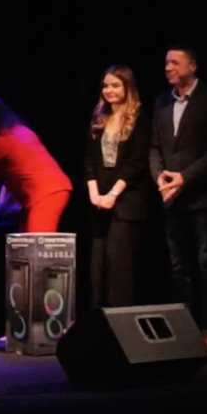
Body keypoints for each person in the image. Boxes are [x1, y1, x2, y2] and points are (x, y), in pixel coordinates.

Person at [149, 46, 207, 349]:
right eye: (166, 62)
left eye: (174, 62)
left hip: (203, 198)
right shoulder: (161, 101)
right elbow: (154, 147)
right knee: (178, 267)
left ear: (192, 66)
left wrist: (184, 178)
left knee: (206, 263)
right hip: (171, 197)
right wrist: (160, 178)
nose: (168, 67)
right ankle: (184, 327)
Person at [84, 66, 152, 309]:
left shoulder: (138, 117)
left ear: (127, 87)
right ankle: (98, 319)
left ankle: (119, 323)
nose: (109, 90)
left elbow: (137, 162)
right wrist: (94, 193)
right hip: (100, 201)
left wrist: (113, 194)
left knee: (118, 266)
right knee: (97, 266)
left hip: (126, 201)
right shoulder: (99, 117)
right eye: (105, 85)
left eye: (115, 85)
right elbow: (89, 159)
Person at [0, 95, 72, 233]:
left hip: (46, 194)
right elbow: (21, 175)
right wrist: (2, 208)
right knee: (23, 241)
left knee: (37, 241)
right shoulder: (21, 130)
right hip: (50, 190)